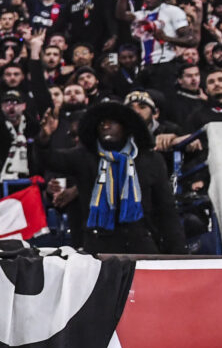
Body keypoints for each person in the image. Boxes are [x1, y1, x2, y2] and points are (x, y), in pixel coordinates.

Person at [38, 99, 184, 254]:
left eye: (112, 122)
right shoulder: (84, 157)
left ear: (126, 126)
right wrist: (44, 138)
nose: (105, 126)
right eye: (101, 123)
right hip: (98, 245)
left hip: (140, 241)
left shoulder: (149, 159)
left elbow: (166, 209)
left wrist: (178, 253)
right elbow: (50, 160)